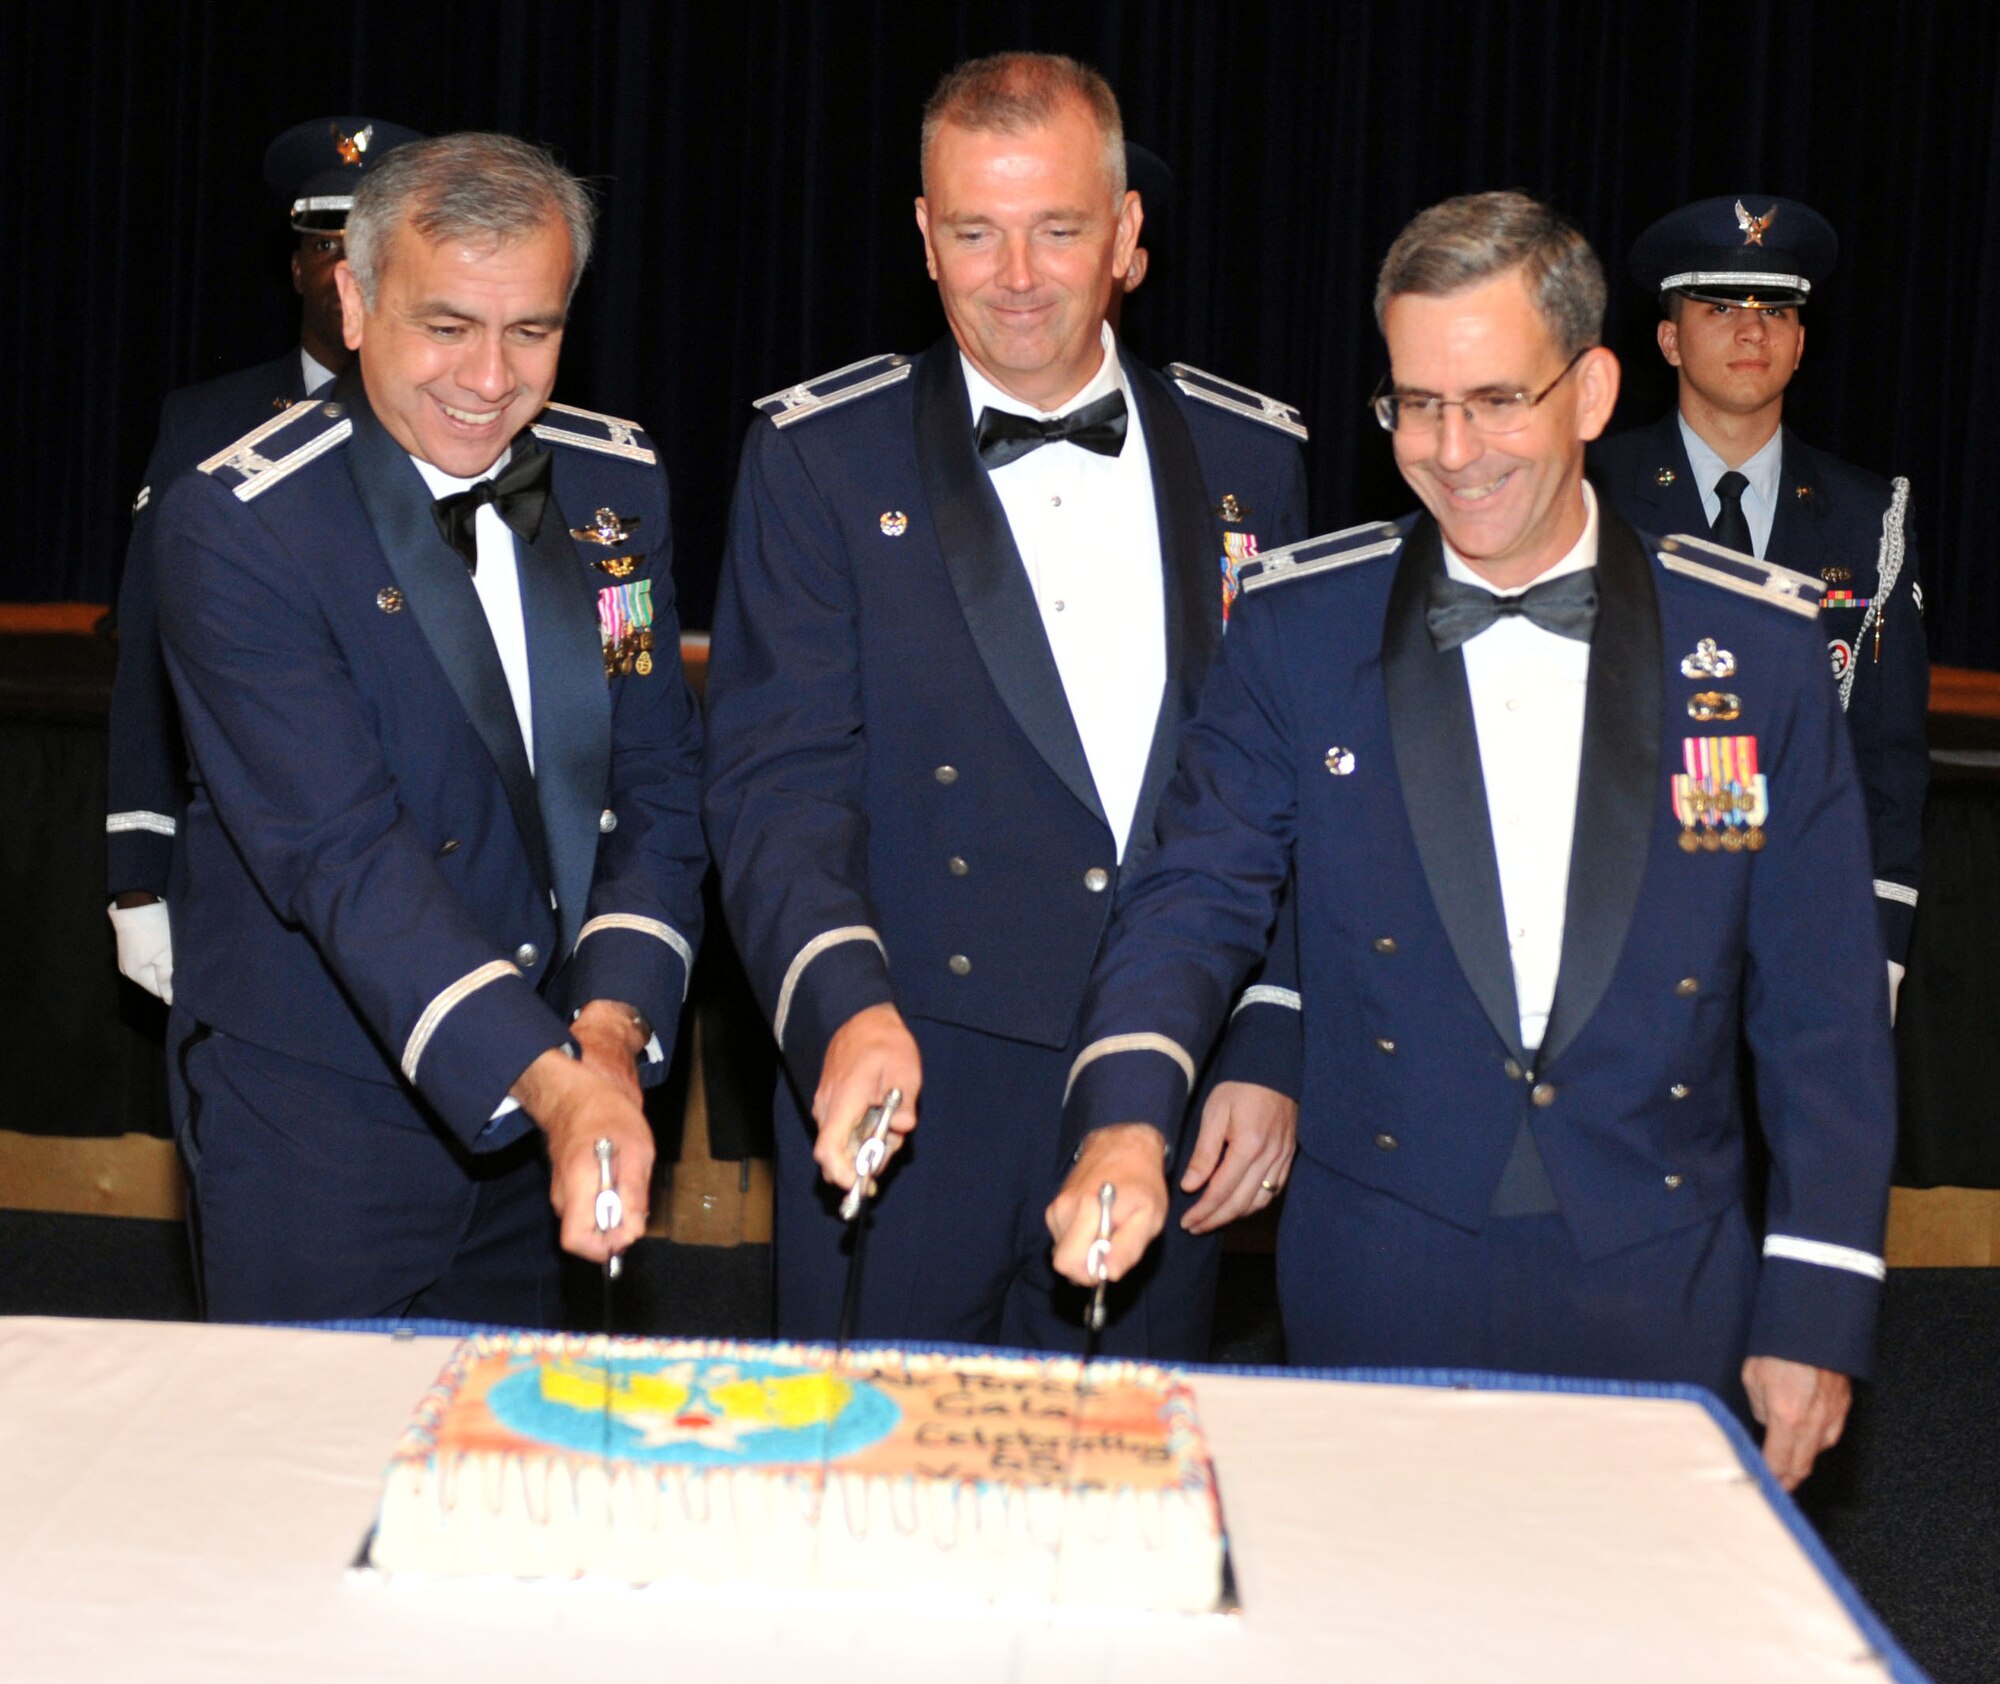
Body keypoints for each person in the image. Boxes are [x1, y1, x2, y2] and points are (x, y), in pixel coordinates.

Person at [1049, 191, 1895, 1490]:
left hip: (1661, 1269)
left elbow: (1825, 1010)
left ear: (1595, 389)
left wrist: (1816, 1302)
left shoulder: (1764, 654)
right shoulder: (1299, 631)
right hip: (1383, 1265)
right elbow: (1193, 895)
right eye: (1418, 405)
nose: (1455, 449)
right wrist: (1122, 1115)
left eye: (1498, 398)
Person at [703, 51, 1309, 1357]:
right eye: (976, 232)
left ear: (1128, 237)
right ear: (925, 238)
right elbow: (777, 785)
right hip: (913, 1079)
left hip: (1164, 1084)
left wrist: (1264, 1046)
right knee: (871, 1500)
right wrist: (842, 1010)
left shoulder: (1257, 459)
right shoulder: (819, 458)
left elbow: (1293, 796)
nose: (1018, 276)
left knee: (1121, 1502)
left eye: (1058, 230)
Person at [151, 132, 707, 1323]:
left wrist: (608, 1032)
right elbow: (341, 851)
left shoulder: (616, 491)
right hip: (321, 1116)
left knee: (511, 1473)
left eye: (532, 330)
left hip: (563, 1083)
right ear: (351, 300)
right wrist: (557, 1085)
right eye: (445, 325)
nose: (490, 378)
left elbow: (656, 785)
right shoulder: (239, 525)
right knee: (307, 1480)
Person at [108, 116, 424, 1003]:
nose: (348, 269)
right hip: (252, 875)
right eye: (329, 245)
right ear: (295, 266)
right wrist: (137, 866)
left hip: (431, 864)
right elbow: (151, 656)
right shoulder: (208, 427)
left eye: (374, 246)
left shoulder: (465, 424)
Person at [1592, 196, 1927, 1005]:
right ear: (1669, 339)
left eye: (1776, 310)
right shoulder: (1590, 493)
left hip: (1808, 936)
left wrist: (1878, 949)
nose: (1753, 332)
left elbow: (1887, 757)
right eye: (1719, 308)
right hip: (1623, 931)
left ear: (1802, 340)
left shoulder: (1866, 517)